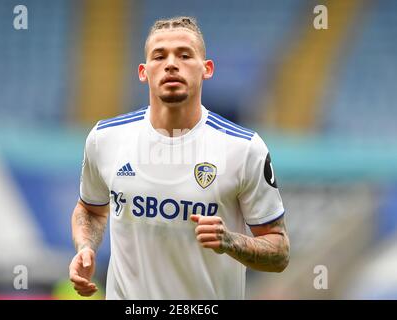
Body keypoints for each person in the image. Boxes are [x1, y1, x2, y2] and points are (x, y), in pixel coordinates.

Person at [69, 16, 290, 300]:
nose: (171, 63)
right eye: (159, 56)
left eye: (184, 55)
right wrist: (85, 247)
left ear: (206, 69)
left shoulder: (244, 148)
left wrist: (230, 241)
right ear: (143, 71)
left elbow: (279, 251)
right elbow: (91, 210)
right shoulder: (105, 138)